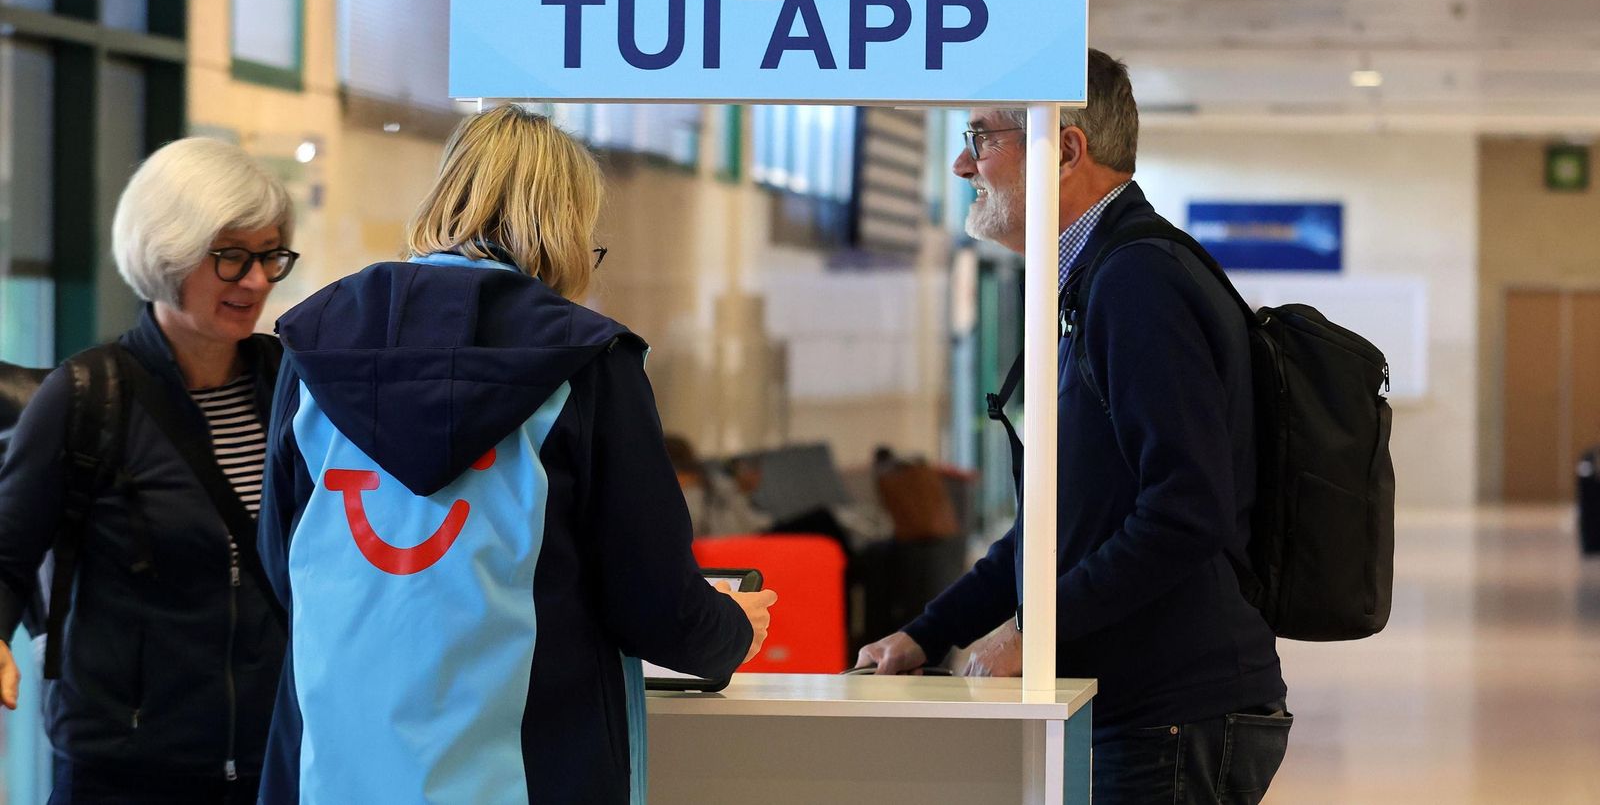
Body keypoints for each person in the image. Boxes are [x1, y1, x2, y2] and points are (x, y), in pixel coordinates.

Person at [257, 105, 776, 804]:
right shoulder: (588, 362)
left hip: (331, 766)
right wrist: (731, 631)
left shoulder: (313, 343)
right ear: (562, 228)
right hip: (530, 769)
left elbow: (281, 561)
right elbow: (651, 601)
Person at [856, 50, 1291, 804]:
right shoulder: (1090, 283)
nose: (963, 164)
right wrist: (928, 632)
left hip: (1175, 713)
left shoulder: (1137, 282)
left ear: (1063, 147)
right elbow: (1056, 529)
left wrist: (1032, 634)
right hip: (1142, 709)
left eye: (981, 137)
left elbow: (1187, 511)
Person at [0, 138, 296, 802]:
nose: (257, 280)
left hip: (270, 761)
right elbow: (7, 555)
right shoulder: (88, 394)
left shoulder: (291, 386)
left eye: (270, 255)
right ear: (168, 253)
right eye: (232, 258)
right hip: (123, 771)